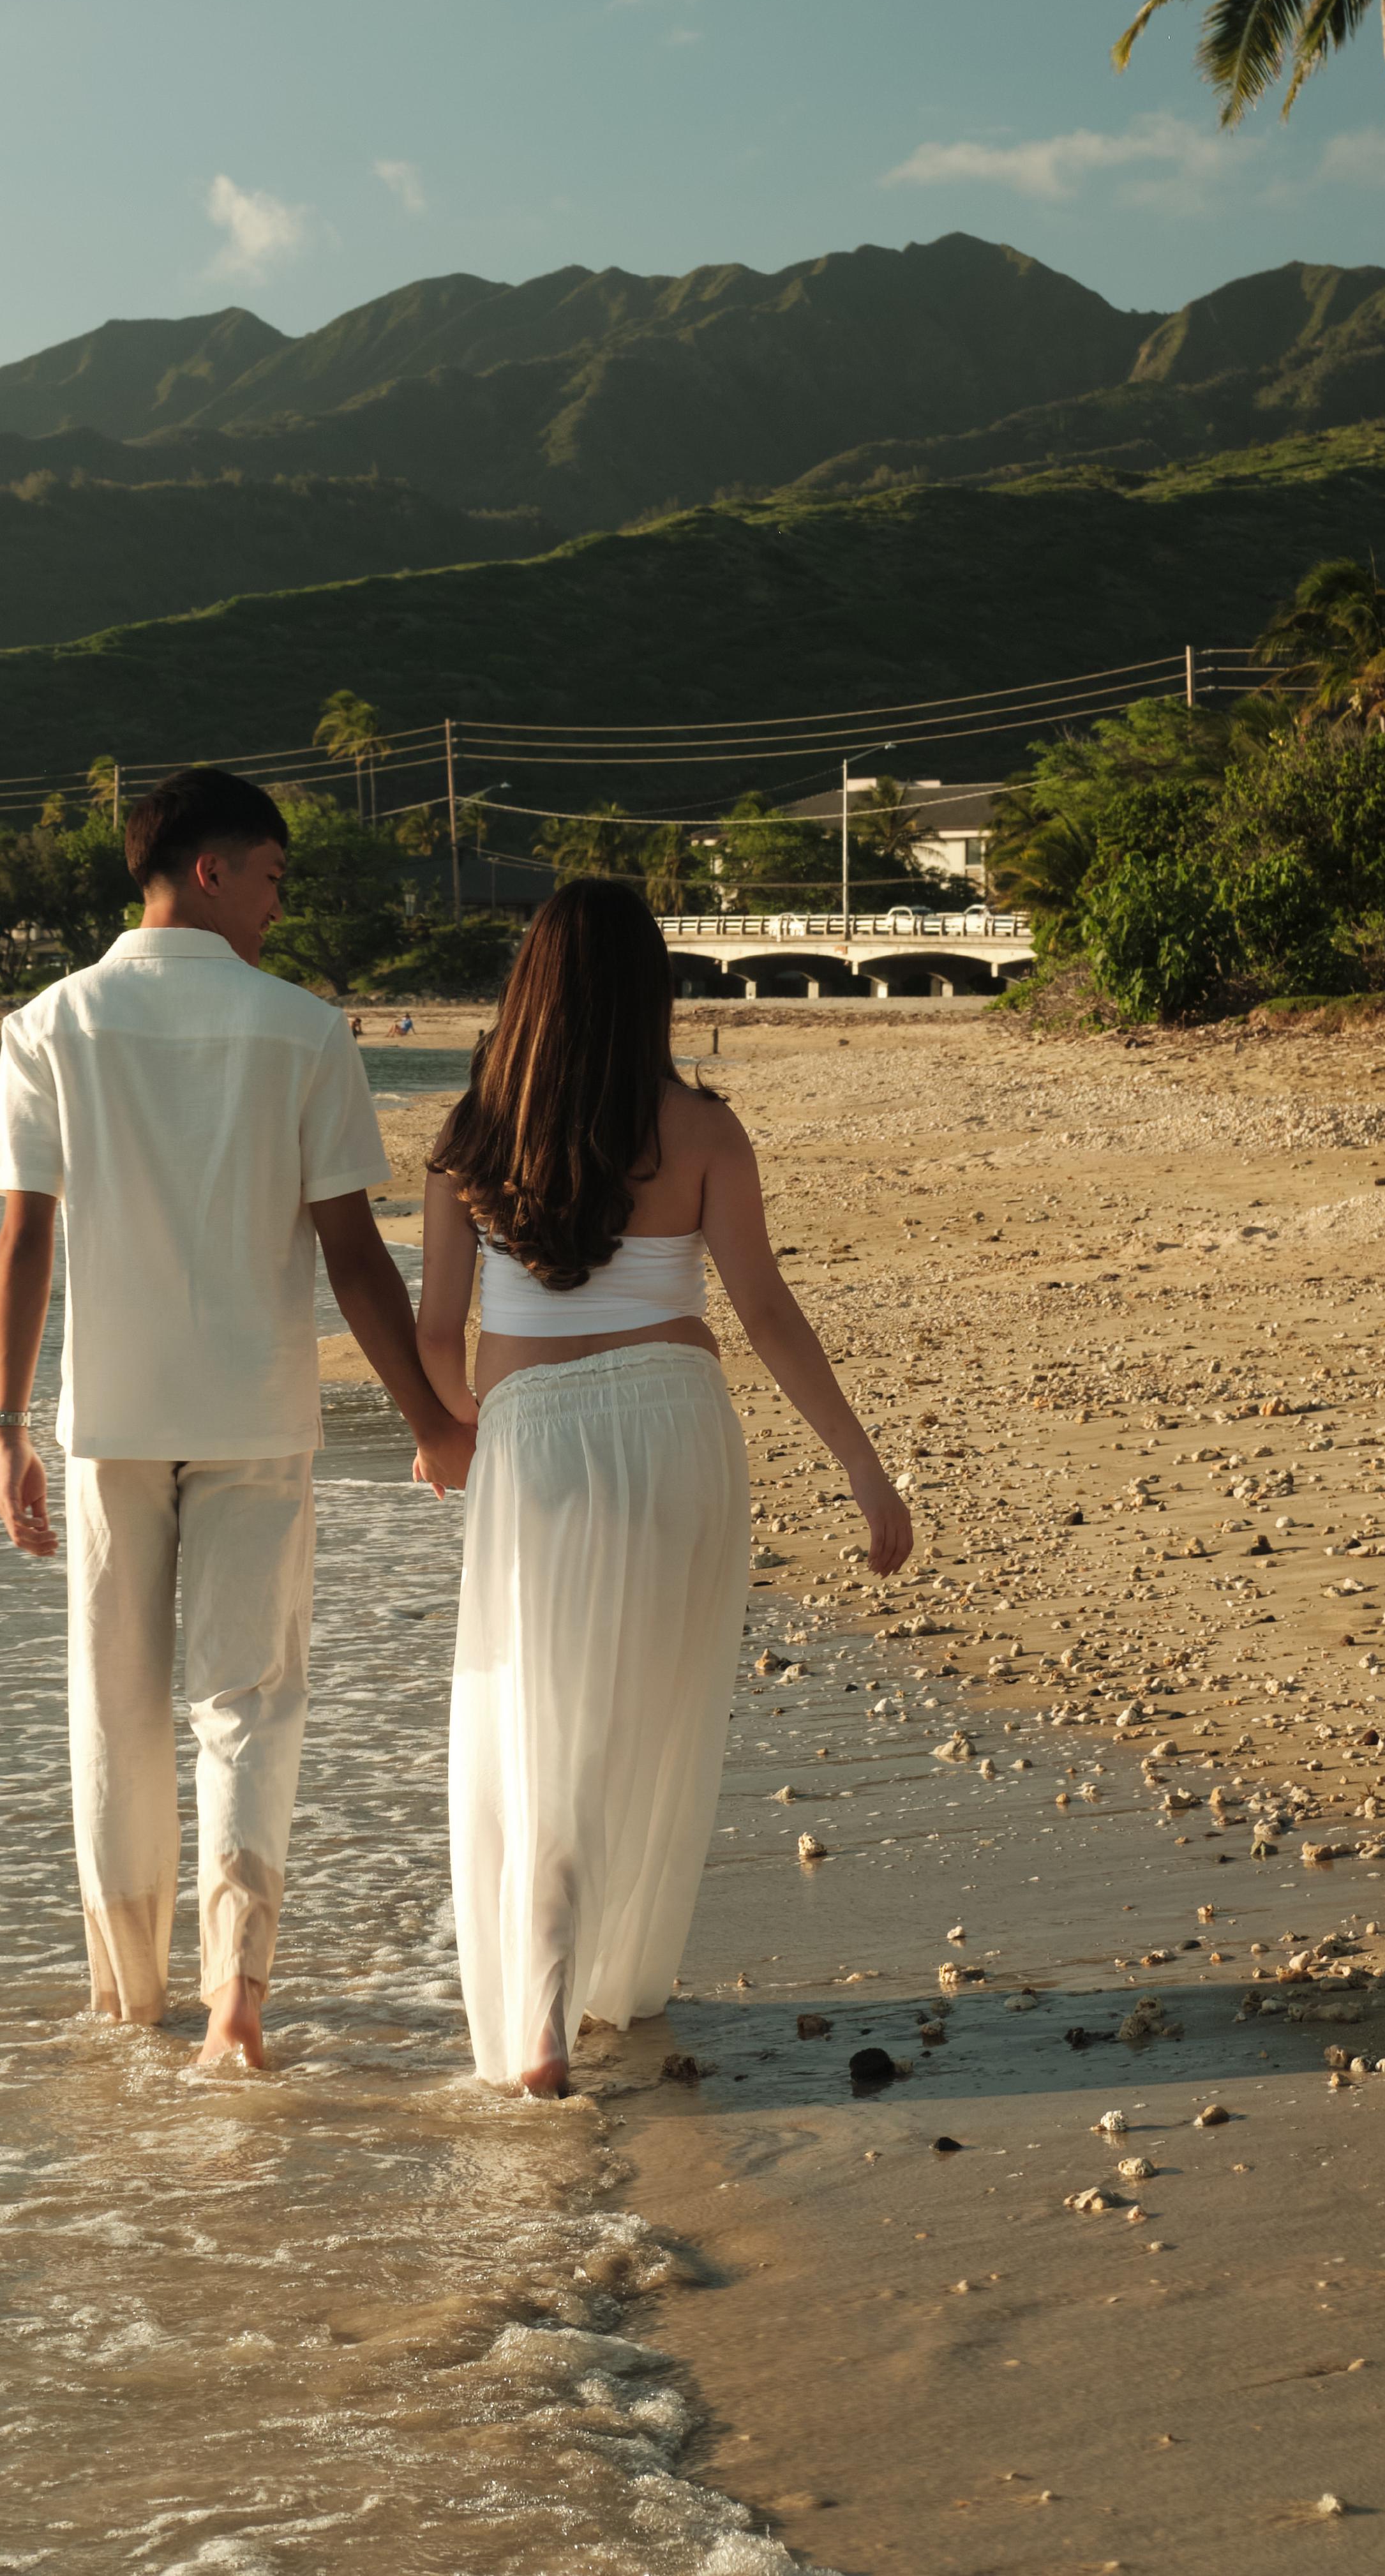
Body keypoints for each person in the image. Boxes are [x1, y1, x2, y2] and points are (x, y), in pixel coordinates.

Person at [0, 765, 470, 2069]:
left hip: (109, 1418)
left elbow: (27, 1238)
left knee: (114, 1707)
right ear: (208, 869)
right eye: (269, 877)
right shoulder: (303, 1031)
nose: (275, 902)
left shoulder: (49, 1025)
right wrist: (429, 1415)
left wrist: (7, 1426)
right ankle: (237, 2007)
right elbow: (356, 1254)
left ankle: (127, 2000)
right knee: (249, 1701)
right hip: (258, 1406)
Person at [414, 878, 911, 2094]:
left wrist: (454, 1430)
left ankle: (537, 2023)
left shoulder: (469, 1135)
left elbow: (435, 1329)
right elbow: (767, 1310)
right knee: (648, 1718)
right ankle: (608, 1989)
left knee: (540, 1727)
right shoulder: (700, 1130)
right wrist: (862, 1466)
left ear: (524, 987)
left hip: (534, 1438)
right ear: (653, 992)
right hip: (678, 1428)